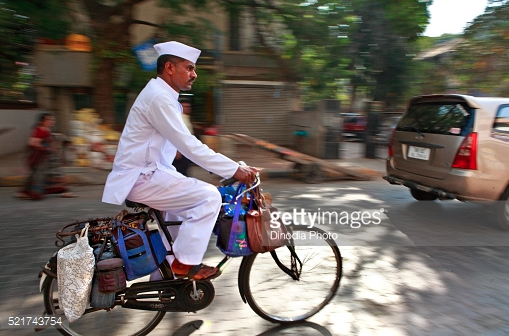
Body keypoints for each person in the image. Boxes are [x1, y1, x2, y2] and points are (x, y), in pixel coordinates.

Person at [102, 41, 257, 280]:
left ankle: (166, 285)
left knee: (178, 223)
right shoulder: (159, 99)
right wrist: (234, 169)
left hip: (153, 174)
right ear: (169, 68)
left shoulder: (165, 97)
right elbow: (188, 144)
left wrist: (225, 166)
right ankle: (186, 264)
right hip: (143, 177)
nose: (194, 74)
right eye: (189, 68)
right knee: (209, 197)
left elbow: (178, 145)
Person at [15, 113, 76, 200]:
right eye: (49, 120)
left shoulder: (46, 130)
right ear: (42, 121)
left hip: (48, 159)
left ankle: (63, 191)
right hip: (41, 159)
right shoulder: (40, 130)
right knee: (39, 176)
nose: (52, 121)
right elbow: (32, 143)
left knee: (47, 175)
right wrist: (46, 148)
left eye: (53, 120)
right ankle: (30, 192)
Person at [172, 97, 193, 176]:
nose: (187, 108)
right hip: (181, 150)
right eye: (185, 107)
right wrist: (177, 150)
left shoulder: (186, 118)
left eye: (189, 107)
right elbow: (176, 135)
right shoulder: (179, 118)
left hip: (186, 150)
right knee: (180, 172)